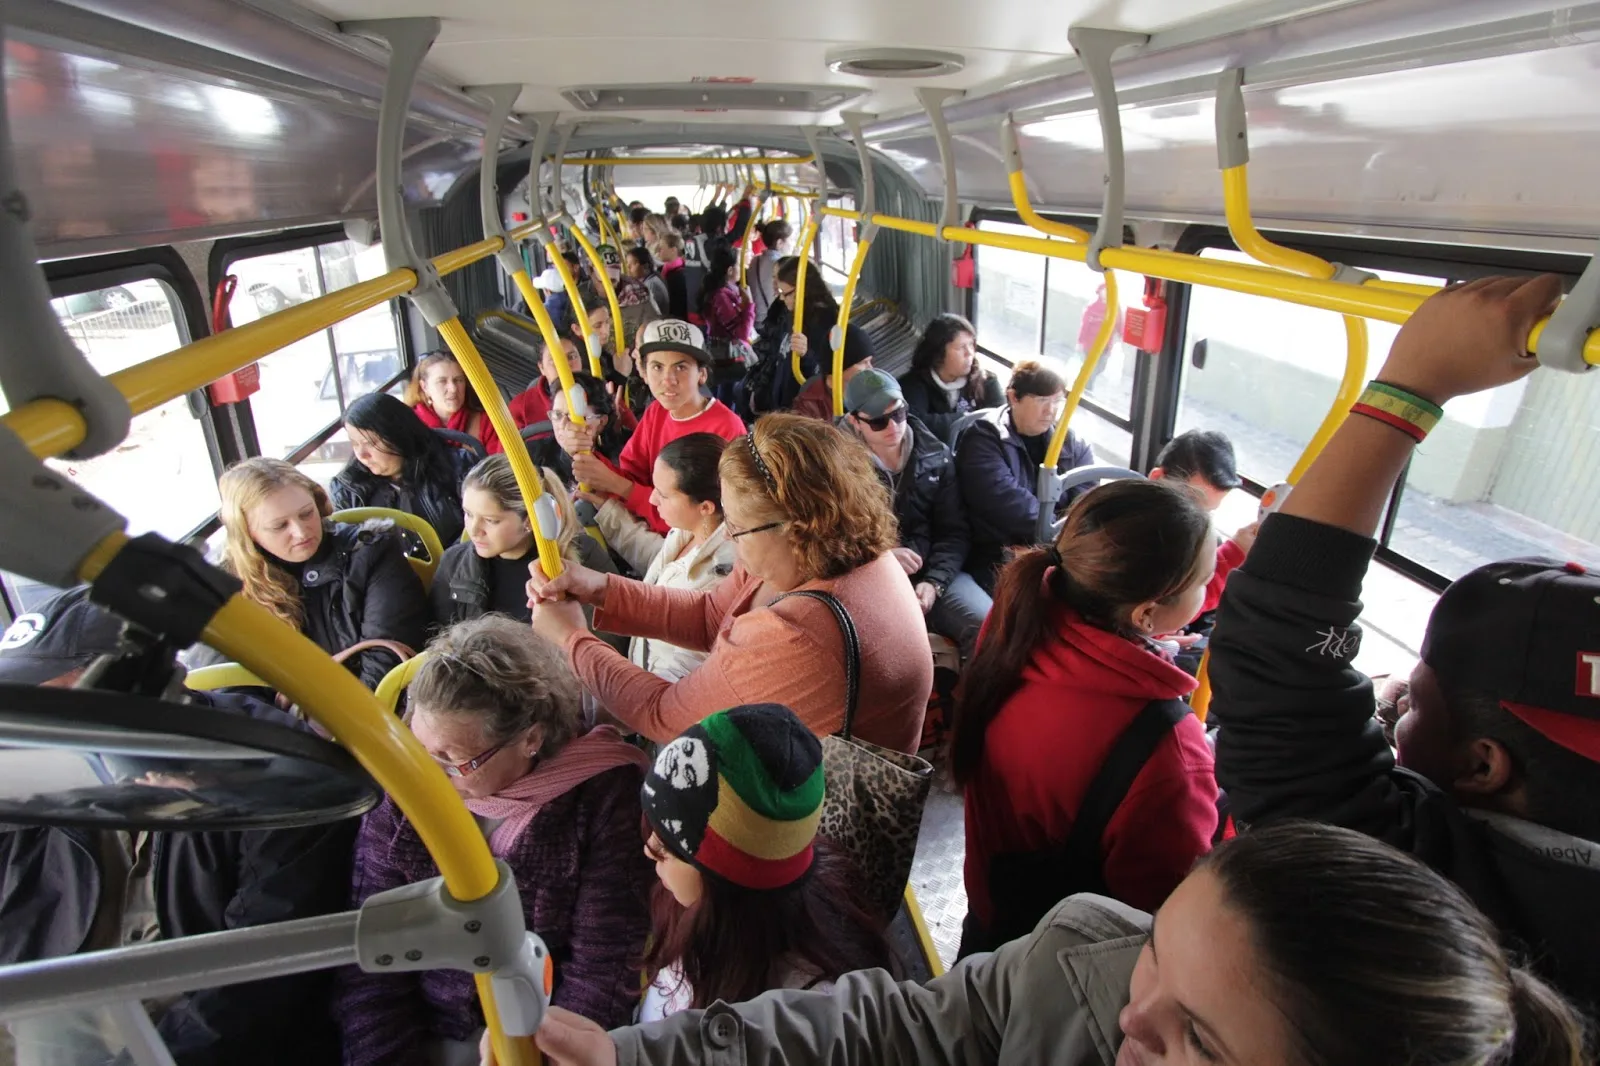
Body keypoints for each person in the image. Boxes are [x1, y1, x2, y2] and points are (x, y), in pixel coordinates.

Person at [1210, 273, 1600, 1013]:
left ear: (1483, 765)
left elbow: (1272, 651)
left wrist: (1413, 383)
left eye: (1414, 707)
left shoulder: (1418, 892)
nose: (1391, 705)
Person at [522, 823, 1590, 1066]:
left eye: (1198, 1043)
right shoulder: (1087, 952)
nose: (1137, 1012)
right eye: (1160, 951)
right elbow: (897, 1030)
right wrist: (637, 1056)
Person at [0, 587, 357, 1066]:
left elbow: (259, 978)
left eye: (49, 698)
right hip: (56, 1001)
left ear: (128, 685)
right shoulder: (40, 774)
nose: (35, 726)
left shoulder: (273, 772)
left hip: (187, 1024)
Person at [338, 616, 654, 1063]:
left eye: (453, 761)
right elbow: (371, 970)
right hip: (427, 1031)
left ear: (531, 738)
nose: (429, 776)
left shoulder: (602, 797)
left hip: (541, 1035)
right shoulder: (404, 794)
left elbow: (602, 974)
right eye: (418, 749)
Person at [528, 413, 932, 752]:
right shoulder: (837, 550)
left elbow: (665, 715)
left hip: (804, 833)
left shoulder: (798, 634)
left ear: (795, 528)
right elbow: (710, 616)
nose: (731, 544)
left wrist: (572, 639)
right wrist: (598, 587)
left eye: (736, 528)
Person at [950, 478, 1219, 955]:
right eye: (1203, 581)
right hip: (1056, 972)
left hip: (991, 919)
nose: (1209, 589)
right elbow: (1156, 915)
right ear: (1145, 614)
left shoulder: (1016, 619)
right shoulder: (1166, 750)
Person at [635, 704, 894, 1020]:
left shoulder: (806, 1015)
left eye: (670, 846)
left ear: (730, 877)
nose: (649, 849)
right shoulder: (696, 909)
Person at [219, 457, 427, 688]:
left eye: (307, 514)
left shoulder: (371, 551)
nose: (301, 532)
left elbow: (384, 664)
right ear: (247, 532)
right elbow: (232, 686)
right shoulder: (227, 587)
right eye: (279, 526)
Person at [840, 369, 988, 659]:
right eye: (879, 421)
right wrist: (879, 557)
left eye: (898, 413)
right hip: (863, 576)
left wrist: (935, 582)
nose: (893, 426)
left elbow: (953, 531)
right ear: (854, 421)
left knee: (987, 625)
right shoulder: (834, 467)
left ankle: (969, 700)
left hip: (929, 569)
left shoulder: (936, 454)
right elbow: (827, 538)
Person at [571, 319, 745, 534]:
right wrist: (586, 450)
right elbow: (630, 473)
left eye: (681, 367)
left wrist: (621, 487)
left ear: (702, 374)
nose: (668, 380)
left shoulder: (727, 428)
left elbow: (710, 520)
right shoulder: (656, 412)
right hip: (649, 524)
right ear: (644, 372)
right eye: (657, 367)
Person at [589, 433, 735, 681]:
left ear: (706, 507)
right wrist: (609, 514)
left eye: (663, 494)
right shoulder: (688, 531)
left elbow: (682, 671)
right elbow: (662, 565)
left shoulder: (722, 577)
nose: (651, 498)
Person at [956, 358, 1095, 593]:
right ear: (1013, 398)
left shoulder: (1073, 444)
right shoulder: (983, 439)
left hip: (1059, 555)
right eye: (1041, 400)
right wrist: (1063, 535)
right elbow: (1008, 505)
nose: (1050, 410)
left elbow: (1087, 505)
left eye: (1056, 401)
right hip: (996, 555)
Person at [430, 455, 617, 629]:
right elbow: (438, 643)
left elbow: (607, 640)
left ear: (529, 520)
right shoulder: (453, 564)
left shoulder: (585, 556)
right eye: (469, 514)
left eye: (490, 520)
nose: (474, 530)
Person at [1148, 429, 1253, 674]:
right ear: (1157, 479)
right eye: (1190, 505)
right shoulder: (1124, 534)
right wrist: (1156, 642)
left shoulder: (1191, 535)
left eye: (1208, 512)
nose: (1198, 521)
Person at [332, 392, 471, 550]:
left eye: (370, 442)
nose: (361, 455)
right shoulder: (348, 487)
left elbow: (481, 527)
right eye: (354, 443)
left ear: (397, 435)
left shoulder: (458, 466)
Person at [899, 313, 1004, 442]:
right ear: (939, 354)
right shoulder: (913, 384)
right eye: (961, 347)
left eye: (971, 345)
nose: (969, 353)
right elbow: (914, 424)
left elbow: (1001, 419)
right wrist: (967, 418)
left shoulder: (986, 381)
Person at [539, 371, 630, 489]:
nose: (563, 424)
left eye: (573, 416)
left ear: (601, 422)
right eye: (557, 414)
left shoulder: (623, 458)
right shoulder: (539, 457)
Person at [768, 257, 836, 411]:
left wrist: (805, 354)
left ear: (803, 289)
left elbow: (826, 372)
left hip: (803, 405)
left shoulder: (825, 320)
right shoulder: (794, 313)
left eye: (786, 293)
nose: (782, 298)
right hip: (786, 400)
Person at [405, 350, 503, 455]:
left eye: (458, 380)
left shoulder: (486, 423)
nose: (453, 389)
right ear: (425, 387)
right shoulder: (408, 424)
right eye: (442, 381)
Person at [696, 244, 756, 408]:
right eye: (739, 265)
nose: (742, 268)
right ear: (730, 270)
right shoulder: (722, 296)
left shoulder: (724, 291)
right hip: (727, 355)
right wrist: (749, 305)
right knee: (726, 396)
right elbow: (741, 333)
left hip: (720, 351)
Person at [508, 335, 586, 440]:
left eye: (571, 357)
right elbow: (505, 453)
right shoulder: (521, 407)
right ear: (542, 368)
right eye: (554, 360)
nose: (565, 366)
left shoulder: (599, 395)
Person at [790, 328, 874, 422]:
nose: (870, 368)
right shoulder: (810, 409)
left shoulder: (870, 392)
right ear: (840, 366)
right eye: (863, 363)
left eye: (870, 361)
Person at [748, 219, 792, 327]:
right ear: (780, 243)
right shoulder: (781, 265)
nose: (792, 244)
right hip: (771, 322)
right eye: (790, 240)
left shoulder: (755, 260)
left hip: (755, 320)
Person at [653, 232, 690, 319]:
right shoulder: (663, 270)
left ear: (673, 250)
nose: (658, 251)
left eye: (661, 248)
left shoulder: (680, 275)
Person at [626, 244, 669, 314]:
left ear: (645, 266)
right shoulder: (652, 277)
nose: (628, 267)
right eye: (627, 263)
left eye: (633, 263)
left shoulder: (650, 285)